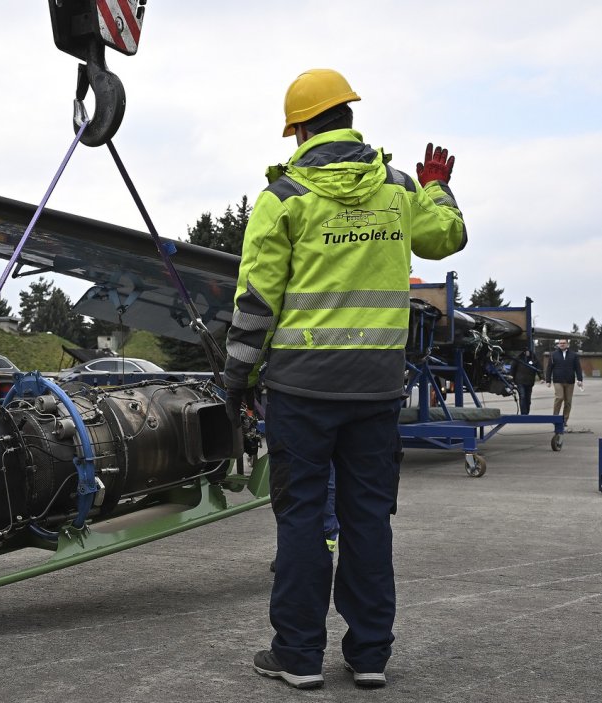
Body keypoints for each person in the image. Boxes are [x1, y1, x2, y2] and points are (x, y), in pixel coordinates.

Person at [222, 68, 466, 689]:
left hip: (303, 391)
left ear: (299, 128)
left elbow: (256, 301)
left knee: (302, 517)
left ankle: (299, 657)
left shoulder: (283, 197)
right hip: (377, 389)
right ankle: (369, 656)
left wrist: (238, 377)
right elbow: (450, 236)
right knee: (367, 519)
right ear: (348, 117)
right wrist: (440, 188)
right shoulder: (399, 190)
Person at [544, 339, 583, 426]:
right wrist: (548, 380)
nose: (561, 344)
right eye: (560, 343)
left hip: (570, 381)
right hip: (558, 380)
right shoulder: (553, 355)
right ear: (558, 345)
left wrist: (580, 379)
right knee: (559, 397)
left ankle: (564, 420)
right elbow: (549, 368)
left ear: (567, 344)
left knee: (568, 401)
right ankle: (555, 418)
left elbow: (578, 368)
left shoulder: (574, 355)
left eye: (563, 343)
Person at [511, 348, 540, 415]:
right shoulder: (518, 358)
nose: (527, 352)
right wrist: (511, 380)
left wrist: (542, 378)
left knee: (528, 399)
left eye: (528, 351)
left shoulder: (534, 359)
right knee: (523, 396)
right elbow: (512, 369)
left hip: (529, 382)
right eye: (526, 351)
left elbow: (538, 368)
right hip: (520, 381)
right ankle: (523, 414)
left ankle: (526, 413)